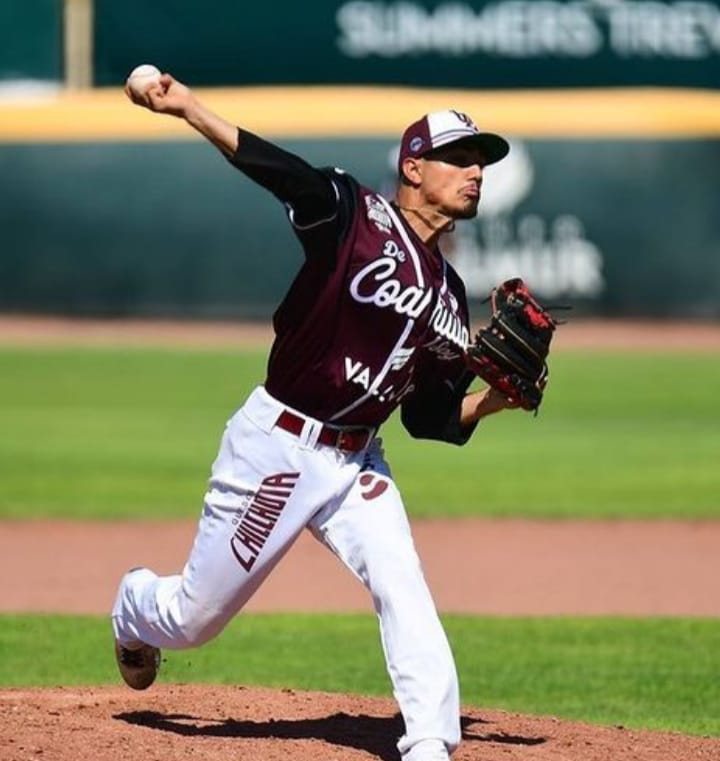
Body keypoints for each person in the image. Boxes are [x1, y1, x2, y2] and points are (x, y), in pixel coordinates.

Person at [112, 72, 513, 761]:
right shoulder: (354, 215)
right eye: (460, 157)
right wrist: (187, 108)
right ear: (413, 167)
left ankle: (428, 742)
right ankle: (134, 604)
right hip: (278, 445)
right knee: (194, 619)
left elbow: (428, 416)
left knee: (400, 578)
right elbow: (281, 172)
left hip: (359, 462)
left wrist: (495, 401)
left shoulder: (450, 292)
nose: (475, 173)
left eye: (481, 162)